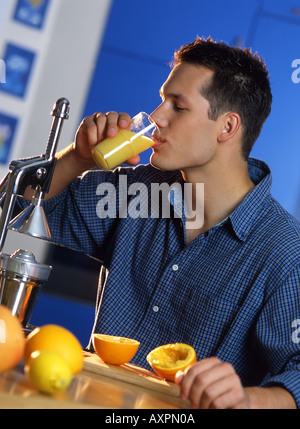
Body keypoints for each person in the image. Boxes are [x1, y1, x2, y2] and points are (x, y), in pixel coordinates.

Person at [22, 37, 300, 409]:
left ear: (227, 127)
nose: (156, 116)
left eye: (178, 106)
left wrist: (247, 401)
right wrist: (77, 158)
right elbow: (20, 210)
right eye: (162, 98)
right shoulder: (137, 191)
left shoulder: (284, 252)